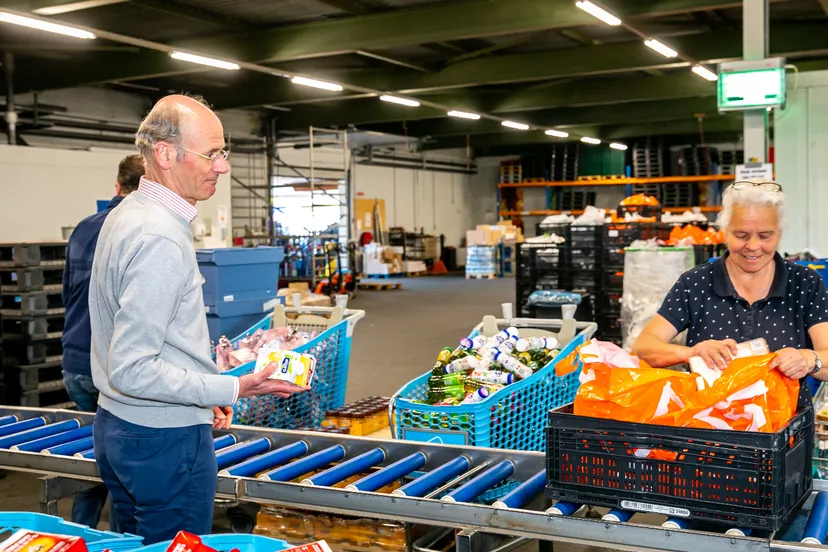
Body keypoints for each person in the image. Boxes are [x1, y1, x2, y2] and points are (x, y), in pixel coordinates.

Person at [88, 94, 307, 545]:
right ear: (167, 154)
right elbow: (132, 367)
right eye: (212, 154)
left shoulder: (125, 214)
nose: (222, 167)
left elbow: (144, 342)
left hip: (119, 428)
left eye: (222, 153)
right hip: (162, 441)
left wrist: (202, 391)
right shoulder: (160, 238)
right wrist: (236, 386)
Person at [633, 180, 828, 397]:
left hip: (785, 426)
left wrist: (809, 359)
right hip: (711, 424)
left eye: (765, 236)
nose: (753, 246)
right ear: (725, 231)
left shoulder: (805, 283)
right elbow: (644, 347)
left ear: (779, 234)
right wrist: (692, 352)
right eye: (741, 235)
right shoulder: (696, 283)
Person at [62, 154, 144, 530]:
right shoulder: (140, 228)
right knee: (126, 467)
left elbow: (67, 294)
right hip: (115, 372)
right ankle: (119, 539)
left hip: (75, 363)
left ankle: (81, 531)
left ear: (116, 186)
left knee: (92, 457)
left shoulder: (82, 227)